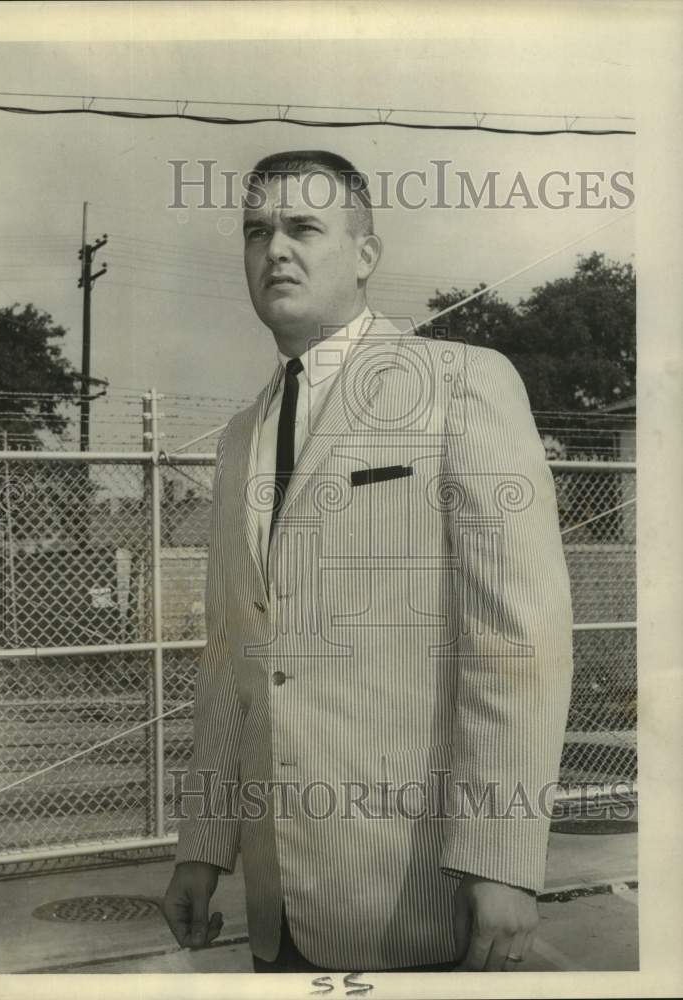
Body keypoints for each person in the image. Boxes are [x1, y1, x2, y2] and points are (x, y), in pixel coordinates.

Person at [161, 150, 573, 973]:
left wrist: (500, 857)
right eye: (256, 231)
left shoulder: (460, 382)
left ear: (365, 255)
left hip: (421, 895)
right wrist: (201, 848)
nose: (275, 249)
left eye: (305, 227)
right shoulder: (242, 435)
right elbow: (232, 662)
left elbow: (518, 636)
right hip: (280, 914)